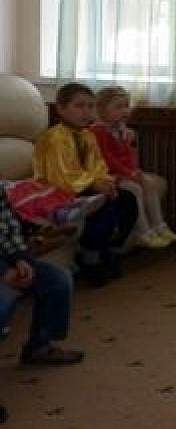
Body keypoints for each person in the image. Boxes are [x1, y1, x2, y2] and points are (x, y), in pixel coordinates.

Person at [33, 83, 140, 287]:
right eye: (79, 106)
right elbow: (62, 174)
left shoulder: (88, 135)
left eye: (90, 106)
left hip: (86, 185)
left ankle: (107, 247)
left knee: (127, 200)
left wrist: (105, 182)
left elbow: (97, 165)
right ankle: (90, 258)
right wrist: (93, 184)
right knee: (102, 206)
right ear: (61, 109)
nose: (86, 112)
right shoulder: (54, 137)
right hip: (59, 189)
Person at [0, 175, 86, 424]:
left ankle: (39, 347)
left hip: (6, 262)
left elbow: (9, 231)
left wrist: (20, 259)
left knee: (58, 280)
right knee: (4, 302)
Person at [90, 87, 176, 248]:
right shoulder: (98, 131)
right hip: (108, 174)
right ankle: (143, 231)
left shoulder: (122, 130)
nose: (125, 110)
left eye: (126, 106)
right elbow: (107, 159)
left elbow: (128, 155)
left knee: (148, 183)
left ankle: (159, 226)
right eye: (118, 107)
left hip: (124, 172)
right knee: (134, 189)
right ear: (102, 110)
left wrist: (135, 171)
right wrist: (128, 173)